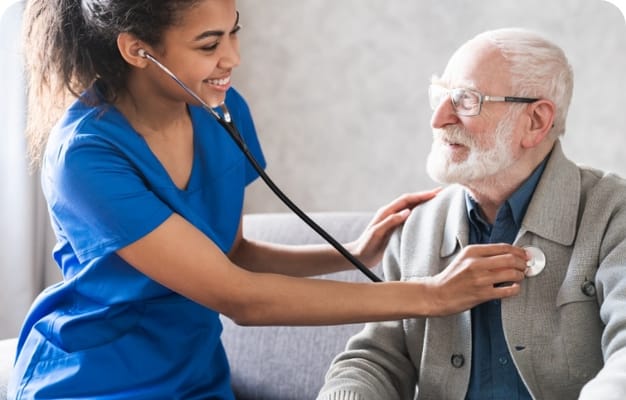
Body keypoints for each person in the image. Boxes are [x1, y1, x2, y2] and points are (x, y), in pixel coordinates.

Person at [8, 2, 530, 399]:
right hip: (95, 380)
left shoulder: (222, 109)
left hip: (196, 376)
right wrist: (431, 294)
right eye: (209, 44)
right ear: (138, 51)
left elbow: (231, 252)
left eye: (235, 32)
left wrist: (354, 252)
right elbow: (240, 297)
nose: (231, 58)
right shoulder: (86, 157)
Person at [318, 27, 626, 400]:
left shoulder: (612, 212)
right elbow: (375, 358)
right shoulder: (416, 225)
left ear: (535, 121)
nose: (439, 118)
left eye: (466, 100)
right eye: (440, 96)